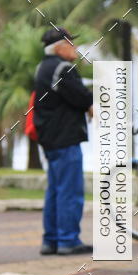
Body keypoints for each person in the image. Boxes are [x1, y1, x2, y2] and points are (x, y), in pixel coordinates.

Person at [34, 27, 93, 255]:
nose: (75, 47)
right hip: (66, 138)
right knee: (70, 191)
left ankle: (50, 241)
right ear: (59, 47)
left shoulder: (42, 67)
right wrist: (92, 103)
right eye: (70, 43)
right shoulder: (63, 69)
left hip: (49, 139)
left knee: (55, 191)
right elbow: (81, 97)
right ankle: (68, 240)